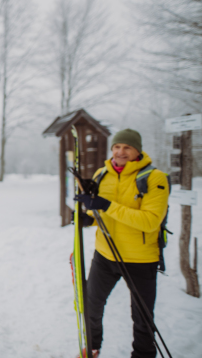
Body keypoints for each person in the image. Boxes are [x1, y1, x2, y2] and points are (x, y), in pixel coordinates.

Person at [74, 129, 170, 358]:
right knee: (91, 305)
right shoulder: (101, 174)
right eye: (117, 147)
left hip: (140, 258)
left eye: (127, 147)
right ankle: (93, 347)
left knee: (142, 316)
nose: (120, 151)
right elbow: (102, 215)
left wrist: (106, 205)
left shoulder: (155, 178)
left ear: (138, 150)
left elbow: (150, 221)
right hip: (105, 255)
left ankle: (143, 354)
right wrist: (87, 218)